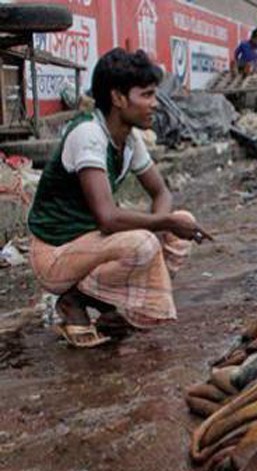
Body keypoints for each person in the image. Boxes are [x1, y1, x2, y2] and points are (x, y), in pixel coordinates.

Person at [26, 49, 211, 348]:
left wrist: (166, 226)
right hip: (56, 252)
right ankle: (73, 300)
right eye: (147, 95)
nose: (155, 104)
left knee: (180, 226)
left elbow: (160, 191)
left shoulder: (127, 139)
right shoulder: (88, 134)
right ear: (118, 98)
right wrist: (163, 222)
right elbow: (108, 218)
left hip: (89, 244)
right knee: (145, 242)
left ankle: (110, 306)